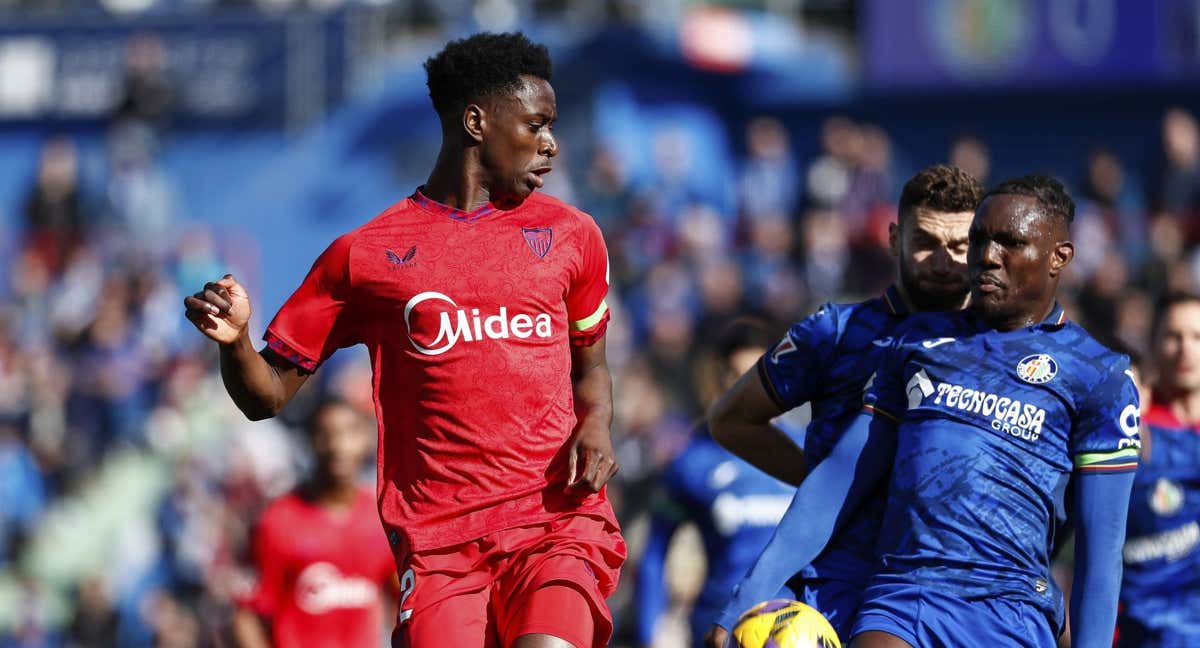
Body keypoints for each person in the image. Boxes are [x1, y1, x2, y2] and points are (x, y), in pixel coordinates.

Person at [184, 32, 625, 648]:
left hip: (554, 519)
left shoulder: (571, 236)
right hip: (440, 543)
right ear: (476, 121)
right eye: (536, 125)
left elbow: (592, 366)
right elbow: (267, 396)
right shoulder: (364, 258)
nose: (551, 144)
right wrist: (235, 343)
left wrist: (598, 422)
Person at [722, 175, 1140, 648]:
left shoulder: (1101, 376)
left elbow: (1101, 554)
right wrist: (745, 599)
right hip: (904, 596)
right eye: (980, 239)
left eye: (1009, 242)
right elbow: (841, 477)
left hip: (1011, 607)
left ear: (1059, 257)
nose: (986, 256)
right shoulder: (919, 342)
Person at [704, 164, 983, 645]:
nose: (942, 261)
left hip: (953, 591)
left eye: (959, 247)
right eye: (926, 242)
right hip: (837, 584)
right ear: (894, 238)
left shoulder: (999, 344)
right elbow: (732, 421)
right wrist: (824, 484)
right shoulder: (834, 332)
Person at [635, 319, 795, 647]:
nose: (753, 391)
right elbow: (654, 554)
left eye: (761, 376)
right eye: (739, 377)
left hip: (796, 626)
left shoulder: (809, 450)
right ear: (722, 382)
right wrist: (649, 633)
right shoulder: (692, 463)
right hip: (721, 629)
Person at [232, 398, 396, 648]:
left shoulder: (382, 516)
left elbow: (403, 601)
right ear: (309, 441)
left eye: (348, 432)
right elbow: (248, 616)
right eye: (325, 434)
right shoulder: (279, 519)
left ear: (366, 439)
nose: (337, 445)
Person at [1118, 292, 1200, 647]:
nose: (1185, 349)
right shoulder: (1131, 432)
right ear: (1153, 344)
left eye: (1197, 337)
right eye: (1173, 336)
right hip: (1144, 635)